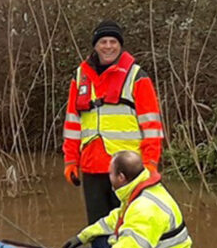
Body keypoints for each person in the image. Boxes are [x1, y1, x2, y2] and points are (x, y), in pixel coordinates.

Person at [61, 20, 164, 224]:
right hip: (92, 166)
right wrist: (71, 160)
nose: (108, 46)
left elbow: (152, 127)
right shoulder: (80, 77)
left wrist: (150, 164)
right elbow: (72, 123)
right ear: (95, 45)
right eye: (103, 42)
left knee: (129, 227)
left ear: (120, 45)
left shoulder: (137, 77)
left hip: (128, 168)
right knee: (98, 228)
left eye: (113, 42)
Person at [58, 150, 192, 248]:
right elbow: (116, 219)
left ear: (121, 177)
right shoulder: (144, 189)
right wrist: (81, 237)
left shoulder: (143, 209)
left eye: (110, 174)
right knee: (99, 238)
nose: (108, 178)